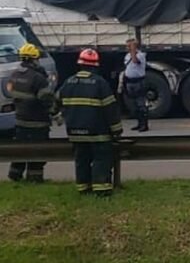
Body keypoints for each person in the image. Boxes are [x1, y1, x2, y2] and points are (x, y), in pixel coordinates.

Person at [58, 49, 123, 196]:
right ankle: (102, 191)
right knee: (102, 159)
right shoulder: (100, 83)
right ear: (95, 66)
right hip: (97, 133)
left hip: (75, 133)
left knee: (81, 160)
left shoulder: (68, 82)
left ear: (80, 65)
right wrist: (117, 130)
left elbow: (56, 102)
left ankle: (83, 189)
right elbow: (110, 109)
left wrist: (60, 117)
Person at [6, 43, 58, 183]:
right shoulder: (38, 78)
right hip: (37, 122)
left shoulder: (15, 75)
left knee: (20, 150)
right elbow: (47, 99)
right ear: (34, 59)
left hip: (20, 120)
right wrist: (55, 113)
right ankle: (34, 179)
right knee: (38, 151)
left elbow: (10, 92)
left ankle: (14, 175)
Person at [124, 38, 148, 132]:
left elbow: (135, 61)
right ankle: (138, 123)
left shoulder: (141, 55)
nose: (127, 48)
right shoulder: (127, 55)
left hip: (139, 82)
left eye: (129, 46)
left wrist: (134, 49)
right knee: (134, 106)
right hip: (130, 82)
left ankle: (144, 125)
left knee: (141, 104)